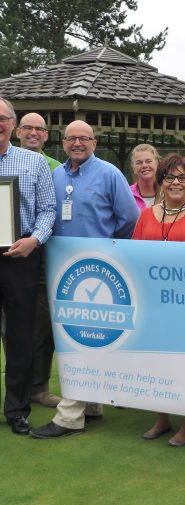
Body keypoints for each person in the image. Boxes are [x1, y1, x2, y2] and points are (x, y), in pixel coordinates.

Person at [29, 120, 140, 439]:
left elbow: (129, 218)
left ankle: (70, 415)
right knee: (79, 337)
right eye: (71, 138)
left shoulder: (109, 173)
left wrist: (104, 246)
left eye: (84, 138)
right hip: (62, 269)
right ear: (62, 143)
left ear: (94, 141)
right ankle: (91, 406)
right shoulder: (56, 174)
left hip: (97, 268)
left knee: (82, 337)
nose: (77, 143)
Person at [133, 153, 185, 446]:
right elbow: (134, 258)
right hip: (154, 305)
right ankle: (162, 417)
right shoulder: (145, 216)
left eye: (183, 178)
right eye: (170, 177)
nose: (176, 183)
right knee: (158, 362)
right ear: (161, 182)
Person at [0, 98, 56, 435]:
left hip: (21, 254)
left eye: (3, 118)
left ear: (13, 125)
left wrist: (34, 239)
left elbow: (49, 210)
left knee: (21, 335)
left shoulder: (33, 163)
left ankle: (17, 409)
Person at [16, 113, 62, 407]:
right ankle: (17, 386)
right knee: (14, 327)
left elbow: (52, 211)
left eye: (39, 129)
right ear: (18, 131)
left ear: (47, 135)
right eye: (28, 128)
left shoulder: (57, 169)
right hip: (9, 251)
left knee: (42, 323)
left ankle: (38, 386)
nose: (33, 133)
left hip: (42, 253)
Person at [129, 143, 160, 210]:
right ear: (133, 168)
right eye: (139, 163)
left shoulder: (166, 193)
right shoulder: (127, 194)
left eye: (148, 161)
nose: (144, 165)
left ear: (157, 164)